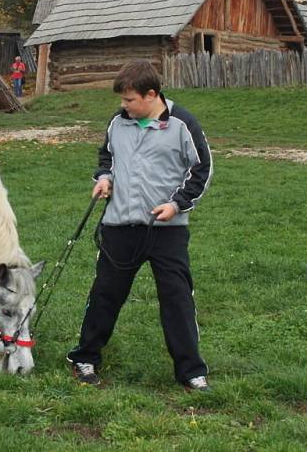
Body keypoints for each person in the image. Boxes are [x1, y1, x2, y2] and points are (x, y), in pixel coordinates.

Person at [66, 60, 213, 391]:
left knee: (177, 298)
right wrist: (104, 178)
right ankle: (85, 358)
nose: (123, 106)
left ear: (151, 95)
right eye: (122, 101)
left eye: (129, 100)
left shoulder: (182, 123)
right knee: (106, 293)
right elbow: (107, 158)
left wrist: (176, 205)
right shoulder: (118, 123)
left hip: (167, 230)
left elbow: (201, 170)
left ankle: (191, 371)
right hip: (119, 226)